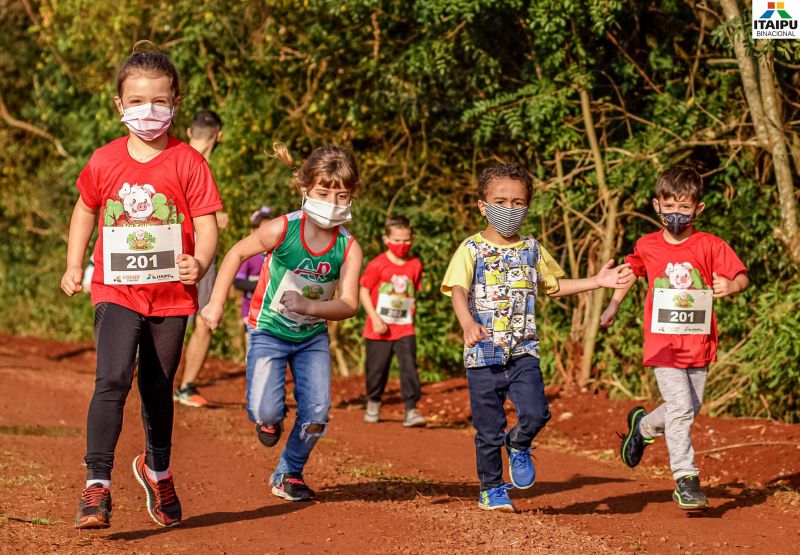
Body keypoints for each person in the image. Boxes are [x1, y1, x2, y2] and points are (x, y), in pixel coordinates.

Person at [61, 43, 221, 529]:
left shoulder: (189, 162)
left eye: (158, 101)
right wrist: (74, 264)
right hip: (117, 289)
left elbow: (207, 222)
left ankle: (158, 469)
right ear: (119, 105)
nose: (147, 111)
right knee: (111, 379)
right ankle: (97, 485)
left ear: (174, 102)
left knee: (157, 387)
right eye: (136, 101)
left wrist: (201, 260)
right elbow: (86, 207)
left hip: (172, 295)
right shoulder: (104, 160)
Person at [440, 162, 633, 512]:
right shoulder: (470, 248)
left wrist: (597, 282)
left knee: (537, 412)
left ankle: (519, 442)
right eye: (501, 201)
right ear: (482, 205)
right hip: (483, 354)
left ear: (528, 205)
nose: (509, 209)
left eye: (518, 202)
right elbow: (457, 289)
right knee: (488, 428)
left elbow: (554, 286)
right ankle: (492, 488)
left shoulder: (531, 247)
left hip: (523, 350)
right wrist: (467, 323)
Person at [201, 142, 362, 502]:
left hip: (312, 337)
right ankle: (268, 414)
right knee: (265, 410)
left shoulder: (349, 248)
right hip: (268, 330)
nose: (333, 204)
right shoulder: (282, 229)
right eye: (324, 193)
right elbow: (236, 253)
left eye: (342, 196)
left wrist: (310, 306)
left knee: (318, 413)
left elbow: (350, 304)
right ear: (306, 190)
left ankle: (289, 472)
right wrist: (214, 304)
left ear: (352, 197)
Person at [600, 165, 748, 510]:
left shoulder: (710, 245)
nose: (677, 214)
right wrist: (613, 306)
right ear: (657, 205)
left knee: (688, 409)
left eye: (684, 208)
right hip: (663, 343)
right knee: (681, 408)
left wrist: (732, 285)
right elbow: (630, 273)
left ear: (698, 209)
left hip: (699, 344)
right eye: (670, 207)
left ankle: (643, 428)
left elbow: (740, 274)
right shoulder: (647, 245)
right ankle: (686, 479)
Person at [173, 109, 227, 408]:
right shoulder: (198, 164)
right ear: (219, 135)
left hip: (173, 252)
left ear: (190, 132)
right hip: (195, 254)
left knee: (172, 318)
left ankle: (165, 381)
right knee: (202, 319)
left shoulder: (173, 156)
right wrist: (215, 220)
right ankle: (184, 385)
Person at [360, 215, 425, 427]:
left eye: (406, 240)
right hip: (378, 328)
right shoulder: (377, 264)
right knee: (376, 369)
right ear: (386, 239)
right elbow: (364, 291)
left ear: (412, 238)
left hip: (405, 327)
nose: (402, 245)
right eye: (397, 241)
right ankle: (373, 401)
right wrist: (375, 318)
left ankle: (411, 409)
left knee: (409, 368)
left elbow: (412, 292)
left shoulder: (415, 264)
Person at [234, 206, 275, 341]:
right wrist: (261, 284)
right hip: (251, 312)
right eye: (261, 229)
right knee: (252, 354)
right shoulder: (249, 257)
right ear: (253, 231)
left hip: (274, 315)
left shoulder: (278, 256)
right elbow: (238, 282)